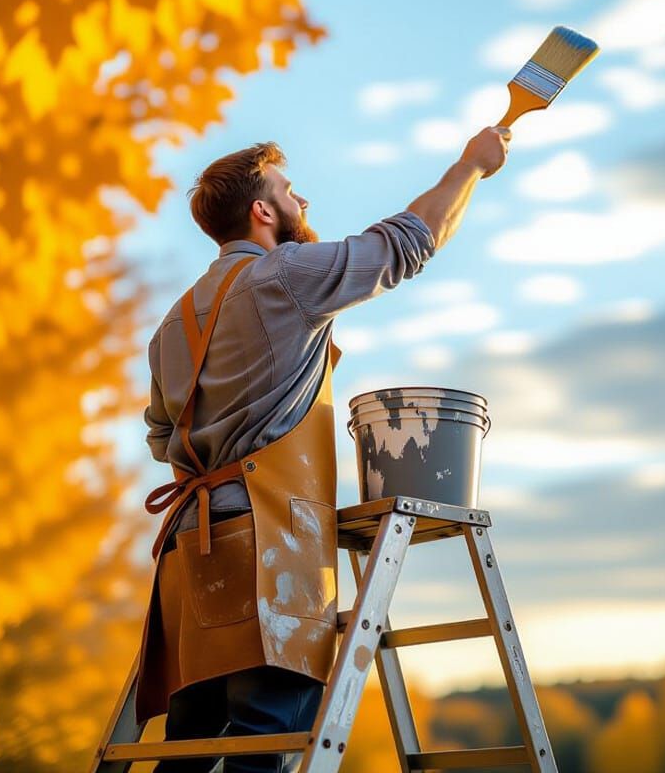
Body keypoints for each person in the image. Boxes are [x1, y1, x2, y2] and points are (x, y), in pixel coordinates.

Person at [137, 125, 511, 772]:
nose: (302, 200)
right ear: (262, 211)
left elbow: (160, 437)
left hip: (192, 550)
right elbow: (408, 242)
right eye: (289, 191)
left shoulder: (174, 321)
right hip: (269, 546)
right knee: (268, 740)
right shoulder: (283, 276)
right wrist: (470, 166)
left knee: (189, 750)